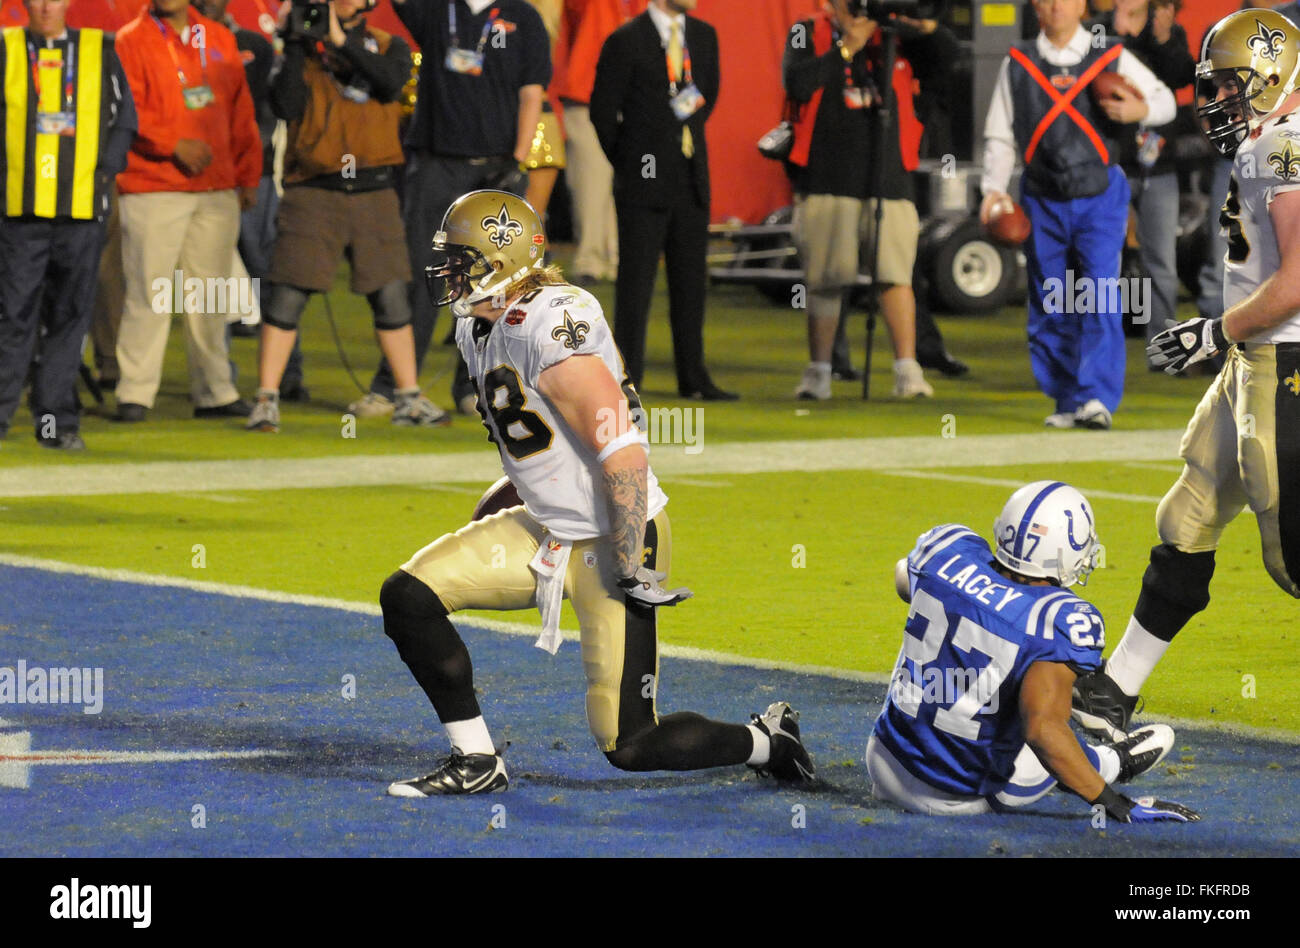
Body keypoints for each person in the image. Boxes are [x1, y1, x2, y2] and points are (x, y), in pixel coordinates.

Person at [378, 189, 814, 794]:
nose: (450, 273)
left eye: (463, 259)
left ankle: (768, 742)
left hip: (613, 534)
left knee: (631, 744)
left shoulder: (549, 320)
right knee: (409, 597)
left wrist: (631, 557)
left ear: (501, 262)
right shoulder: (477, 324)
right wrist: (517, 493)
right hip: (548, 527)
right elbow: (542, 438)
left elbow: (622, 449)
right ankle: (476, 760)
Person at [1073, 8, 1300, 740]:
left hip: (1287, 360)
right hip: (1254, 358)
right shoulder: (1269, 142)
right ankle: (1115, 688)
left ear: (1271, 74)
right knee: (1190, 512)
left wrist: (1212, 329)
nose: (1218, 102)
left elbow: (1299, 280)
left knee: (1291, 555)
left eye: (1230, 86)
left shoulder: (1285, 147)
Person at [868, 481, 1199, 823]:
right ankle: (1112, 762)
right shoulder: (1058, 617)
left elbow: (904, 582)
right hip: (952, 798)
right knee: (1045, 720)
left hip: (883, 759)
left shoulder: (948, 547)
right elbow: (1042, 731)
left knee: (978, 671)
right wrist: (1114, 804)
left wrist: (968, 604)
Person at [244, 0, 448, 432]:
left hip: (374, 189)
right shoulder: (303, 46)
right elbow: (284, 105)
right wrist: (297, 45)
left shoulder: (389, 46)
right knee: (287, 296)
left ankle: (408, 397)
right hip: (314, 186)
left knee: (391, 295)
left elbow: (390, 82)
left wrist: (338, 42)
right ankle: (266, 398)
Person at [350, 0, 550, 422]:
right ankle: (395, 386)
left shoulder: (524, 16)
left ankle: (475, 386)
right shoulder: (439, 9)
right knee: (424, 276)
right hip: (438, 163)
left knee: (493, 284)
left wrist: (518, 160)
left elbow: (532, 91)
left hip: (497, 167)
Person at [980, 0, 1175, 429]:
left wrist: (1140, 112)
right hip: (1041, 196)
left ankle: (1096, 399)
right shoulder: (1019, 60)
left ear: (1082, 5)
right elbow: (998, 134)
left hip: (1100, 194)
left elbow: (1165, 101)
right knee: (1051, 299)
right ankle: (1065, 398)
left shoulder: (1109, 54)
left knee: (1100, 294)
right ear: (1035, 5)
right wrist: (992, 191)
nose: (1055, 6)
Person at [782, 1, 955, 400]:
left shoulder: (894, 36)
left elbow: (946, 58)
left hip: (888, 176)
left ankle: (907, 370)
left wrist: (924, 26)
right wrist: (845, 49)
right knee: (825, 278)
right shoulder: (806, 30)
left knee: (895, 277)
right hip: (827, 173)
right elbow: (796, 82)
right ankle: (819, 371)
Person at [112, 0, 262, 423]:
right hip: (154, 185)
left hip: (215, 187)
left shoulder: (218, 37)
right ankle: (135, 392)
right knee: (149, 292)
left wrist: (248, 174)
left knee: (211, 295)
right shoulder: (131, 40)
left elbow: (240, 112)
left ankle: (215, 391)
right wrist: (170, 144)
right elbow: (125, 108)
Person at [0, 0, 136, 450]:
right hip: (20, 213)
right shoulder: (6, 49)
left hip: (80, 211)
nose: (44, 7)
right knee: (13, 315)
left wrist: (102, 175)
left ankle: (54, 422)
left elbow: (124, 121)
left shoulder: (100, 50)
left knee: (68, 318)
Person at [590, 0, 737, 401]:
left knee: (691, 285)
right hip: (642, 182)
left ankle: (694, 377)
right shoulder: (625, 39)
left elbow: (708, 97)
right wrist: (630, 163)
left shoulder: (704, 36)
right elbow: (603, 112)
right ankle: (628, 377)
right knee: (636, 286)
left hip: (691, 178)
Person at [1094, 0, 1195, 369]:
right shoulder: (1097, 28)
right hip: (1109, 162)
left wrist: (1165, 37)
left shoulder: (1166, 30)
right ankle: (1098, 349)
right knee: (1099, 258)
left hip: (1158, 164)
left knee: (1161, 262)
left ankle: (1163, 352)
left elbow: (1183, 76)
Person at [555, 0, 638, 286]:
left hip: (628, 97)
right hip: (587, 95)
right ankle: (591, 259)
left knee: (619, 183)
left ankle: (614, 258)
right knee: (591, 182)